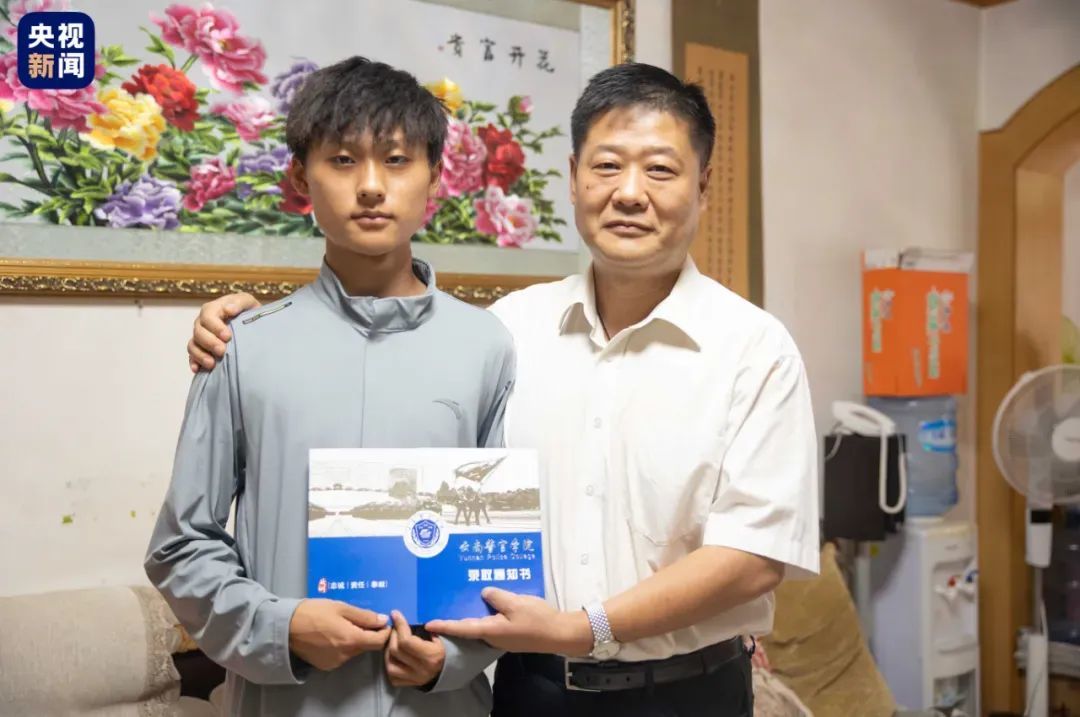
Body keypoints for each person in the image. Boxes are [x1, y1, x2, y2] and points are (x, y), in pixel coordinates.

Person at [186, 62, 819, 717]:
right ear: (573, 177)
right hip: (528, 691)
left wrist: (583, 628)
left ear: (703, 184)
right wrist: (253, 327)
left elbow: (753, 558)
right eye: (607, 166)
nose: (630, 193)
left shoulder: (754, 349)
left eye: (660, 169)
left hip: (687, 693)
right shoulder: (508, 331)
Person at [146, 56, 513, 717]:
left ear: (434, 176)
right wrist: (279, 627)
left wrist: (452, 660)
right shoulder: (243, 344)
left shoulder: (486, 346)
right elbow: (180, 543)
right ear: (300, 178)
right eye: (343, 160)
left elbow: (501, 540)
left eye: (396, 160)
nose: (370, 186)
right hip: (290, 701)